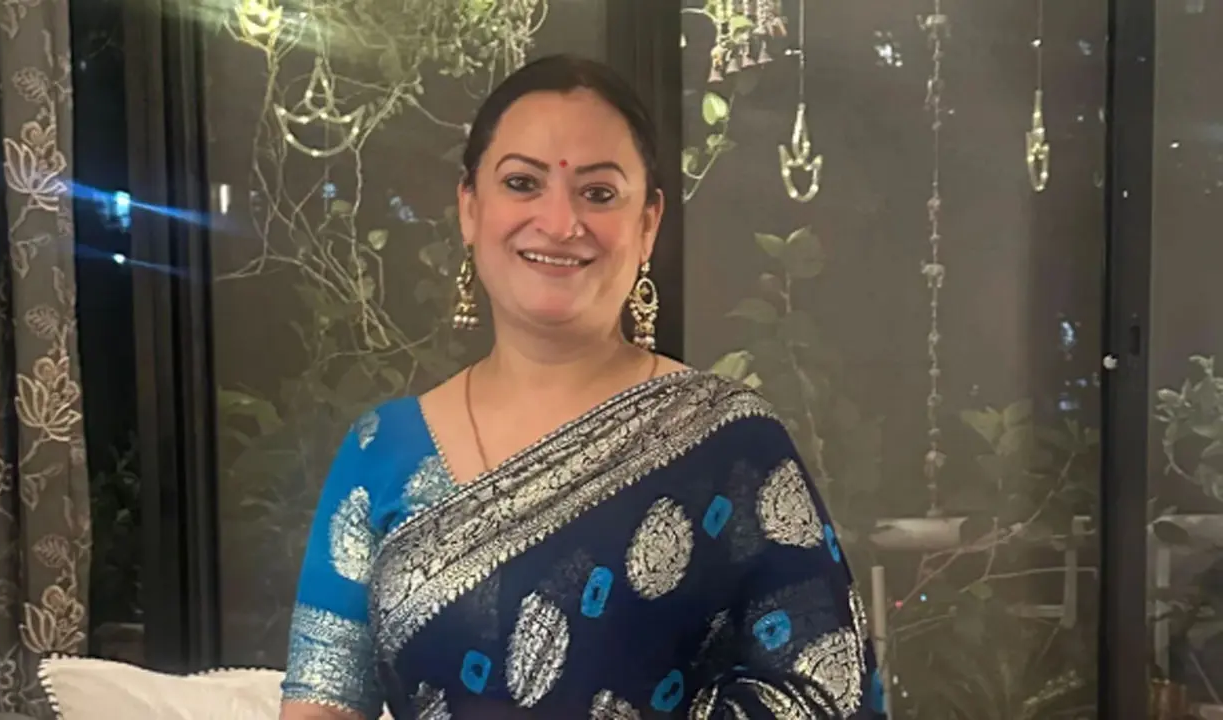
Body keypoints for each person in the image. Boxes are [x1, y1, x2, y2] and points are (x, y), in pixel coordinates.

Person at [279, 54, 883, 720]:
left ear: (648, 224)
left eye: (598, 193)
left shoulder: (730, 443)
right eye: (522, 183)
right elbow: (320, 708)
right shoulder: (380, 452)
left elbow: (828, 690)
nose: (560, 222)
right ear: (470, 208)